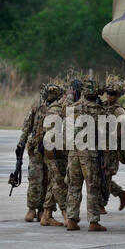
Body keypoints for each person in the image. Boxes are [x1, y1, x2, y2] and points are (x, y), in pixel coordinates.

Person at [65, 79, 107, 231]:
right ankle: (93, 222)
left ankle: (71, 219)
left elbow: (65, 133)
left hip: (73, 153)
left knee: (73, 187)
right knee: (92, 187)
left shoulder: (72, 108)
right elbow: (106, 136)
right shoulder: (99, 111)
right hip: (89, 154)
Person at [16, 86, 49, 222]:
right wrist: (21, 144)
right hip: (35, 149)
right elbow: (27, 127)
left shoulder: (57, 109)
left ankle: (42, 209)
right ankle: (31, 208)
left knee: (47, 180)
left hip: (49, 150)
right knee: (35, 179)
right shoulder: (36, 109)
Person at [100, 74, 125, 214]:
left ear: (117, 96)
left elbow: (124, 127)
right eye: (108, 94)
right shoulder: (103, 106)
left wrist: (115, 138)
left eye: (112, 94)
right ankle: (121, 193)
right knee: (98, 175)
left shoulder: (119, 110)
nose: (109, 97)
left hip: (111, 149)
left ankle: (101, 204)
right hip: (101, 146)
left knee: (105, 176)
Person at [40, 82, 68, 227]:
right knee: (58, 183)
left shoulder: (44, 107)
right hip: (52, 151)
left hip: (53, 150)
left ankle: (46, 215)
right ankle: (66, 214)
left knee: (53, 182)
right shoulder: (55, 109)